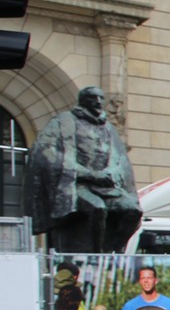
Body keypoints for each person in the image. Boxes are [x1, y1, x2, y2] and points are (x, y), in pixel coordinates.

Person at [22, 87, 141, 253]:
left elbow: (120, 159)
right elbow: (47, 154)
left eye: (100, 98)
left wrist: (112, 172)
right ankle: (96, 255)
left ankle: (112, 250)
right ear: (83, 101)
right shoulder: (63, 121)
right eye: (93, 98)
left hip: (106, 187)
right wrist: (90, 174)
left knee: (133, 210)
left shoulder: (108, 127)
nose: (98, 102)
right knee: (98, 208)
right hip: (76, 186)